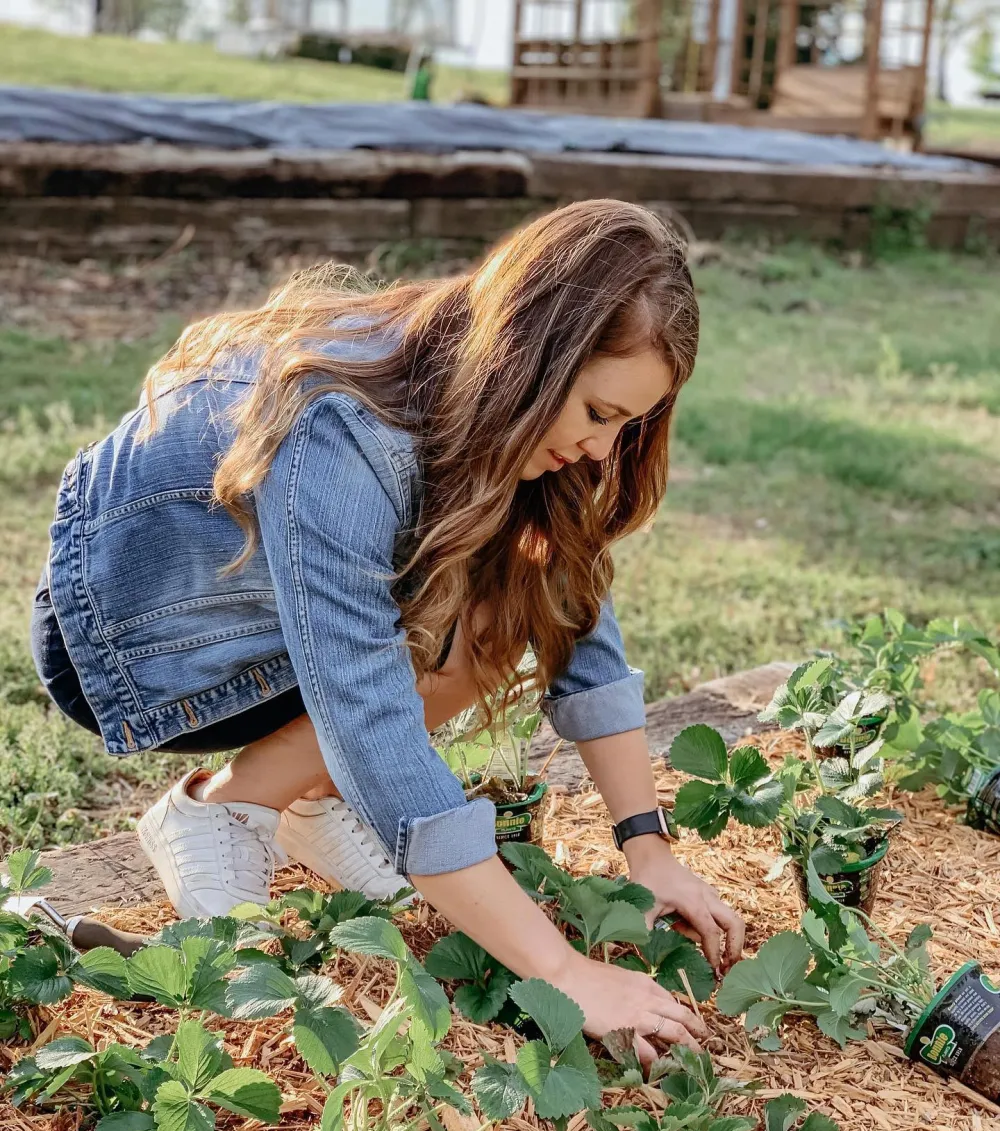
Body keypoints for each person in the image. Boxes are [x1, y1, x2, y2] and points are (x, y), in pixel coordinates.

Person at [32, 199, 742, 1061]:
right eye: (597, 413)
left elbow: (576, 615)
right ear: (534, 359)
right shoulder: (349, 432)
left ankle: (309, 801)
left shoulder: (492, 401)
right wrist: (562, 972)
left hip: (272, 626)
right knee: (452, 624)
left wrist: (648, 848)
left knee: (515, 593)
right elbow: (368, 712)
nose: (603, 450)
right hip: (132, 638)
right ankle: (221, 814)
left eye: (628, 425)